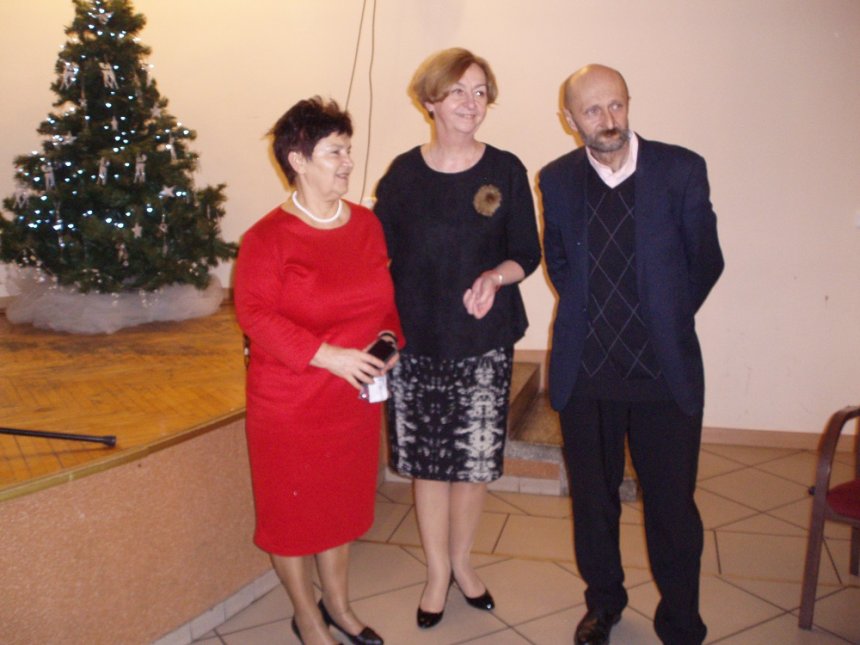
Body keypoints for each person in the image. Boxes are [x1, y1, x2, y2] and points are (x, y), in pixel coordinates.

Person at [539, 64, 724, 645]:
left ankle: (681, 619)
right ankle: (604, 604)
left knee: (672, 508)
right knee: (594, 506)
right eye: (592, 110)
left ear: (628, 103)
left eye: (616, 104)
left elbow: (706, 260)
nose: (608, 119)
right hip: (588, 374)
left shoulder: (680, 169)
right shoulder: (556, 179)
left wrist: (663, 317)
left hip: (662, 375)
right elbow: (559, 263)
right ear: (570, 119)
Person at [374, 48, 541, 629]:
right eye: (458, 92)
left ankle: (464, 564)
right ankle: (437, 572)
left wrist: (495, 277)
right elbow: (376, 254)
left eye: (480, 92)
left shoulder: (506, 169)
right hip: (417, 341)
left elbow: (527, 253)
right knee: (428, 464)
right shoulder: (403, 175)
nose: (472, 103)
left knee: (472, 464)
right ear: (430, 102)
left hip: (482, 340)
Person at [234, 97, 401, 645]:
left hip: (349, 401)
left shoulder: (367, 225)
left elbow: (382, 302)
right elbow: (254, 315)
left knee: (340, 510)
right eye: (335, 152)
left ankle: (340, 607)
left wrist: (388, 341)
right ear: (298, 160)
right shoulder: (267, 239)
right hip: (290, 404)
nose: (348, 161)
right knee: (292, 517)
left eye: (348, 150)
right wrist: (328, 355)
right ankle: (308, 617)